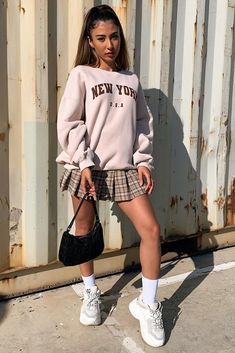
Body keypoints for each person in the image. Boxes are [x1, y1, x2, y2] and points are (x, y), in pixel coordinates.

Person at [56, 4, 165, 348]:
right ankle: (91, 293)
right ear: (89, 40)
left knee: (151, 229)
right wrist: (84, 162)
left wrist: (143, 160)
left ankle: (147, 303)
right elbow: (70, 123)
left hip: (123, 168)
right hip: (86, 167)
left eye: (114, 36)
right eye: (101, 38)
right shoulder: (81, 75)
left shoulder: (131, 78)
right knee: (85, 231)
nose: (109, 44)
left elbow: (141, 123)